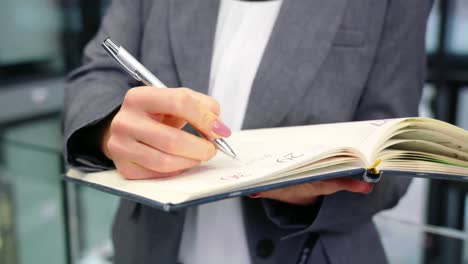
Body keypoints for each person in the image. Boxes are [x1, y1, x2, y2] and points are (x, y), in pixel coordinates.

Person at [64, 0, 432, 263]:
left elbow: (398, 152)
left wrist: (313, 188)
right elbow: (96, 76)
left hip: (314, 251)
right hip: (146, 248)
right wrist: (110, 129)